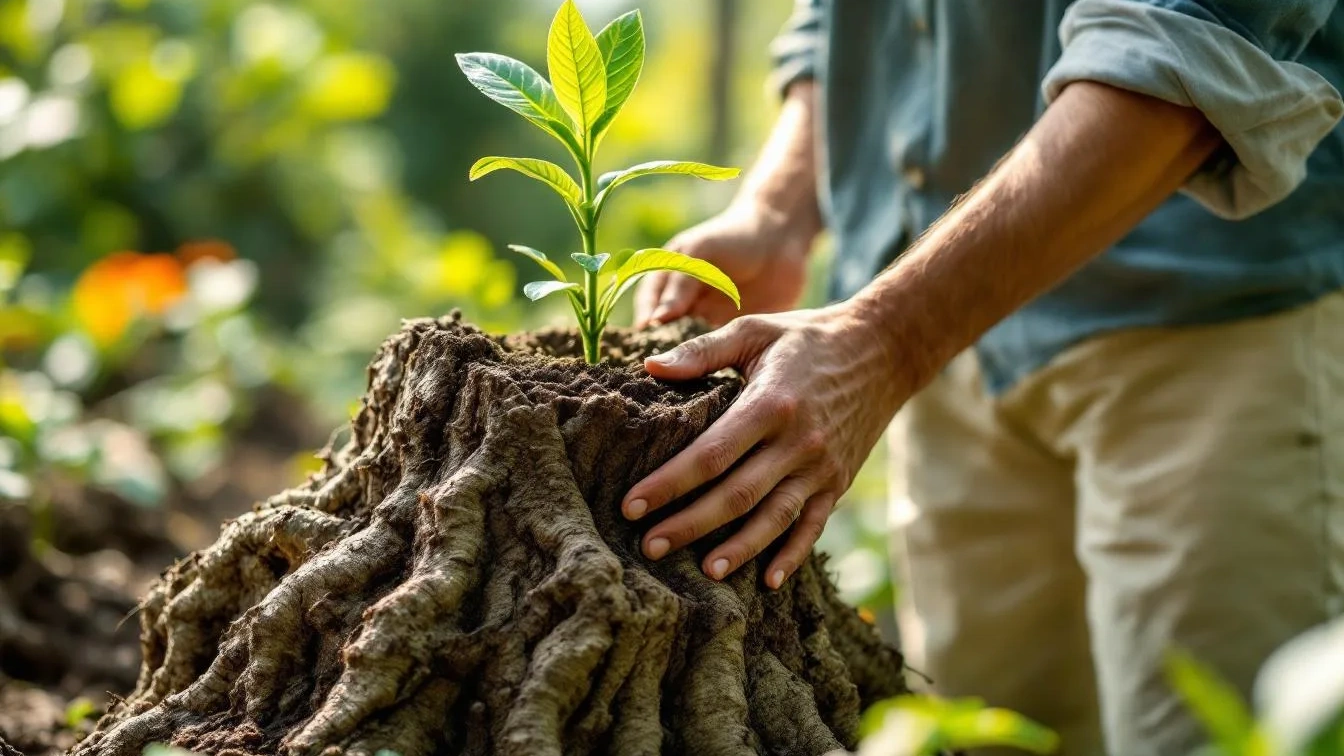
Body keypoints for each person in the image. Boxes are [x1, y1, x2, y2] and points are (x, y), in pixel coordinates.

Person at [618, 2, 1344, 754]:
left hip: (1204, 331)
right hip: (953, 346)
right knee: (992, 734)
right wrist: (778, 209)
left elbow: (1193, 33)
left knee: (1210, 734)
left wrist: (885, 342)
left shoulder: (893, 343)